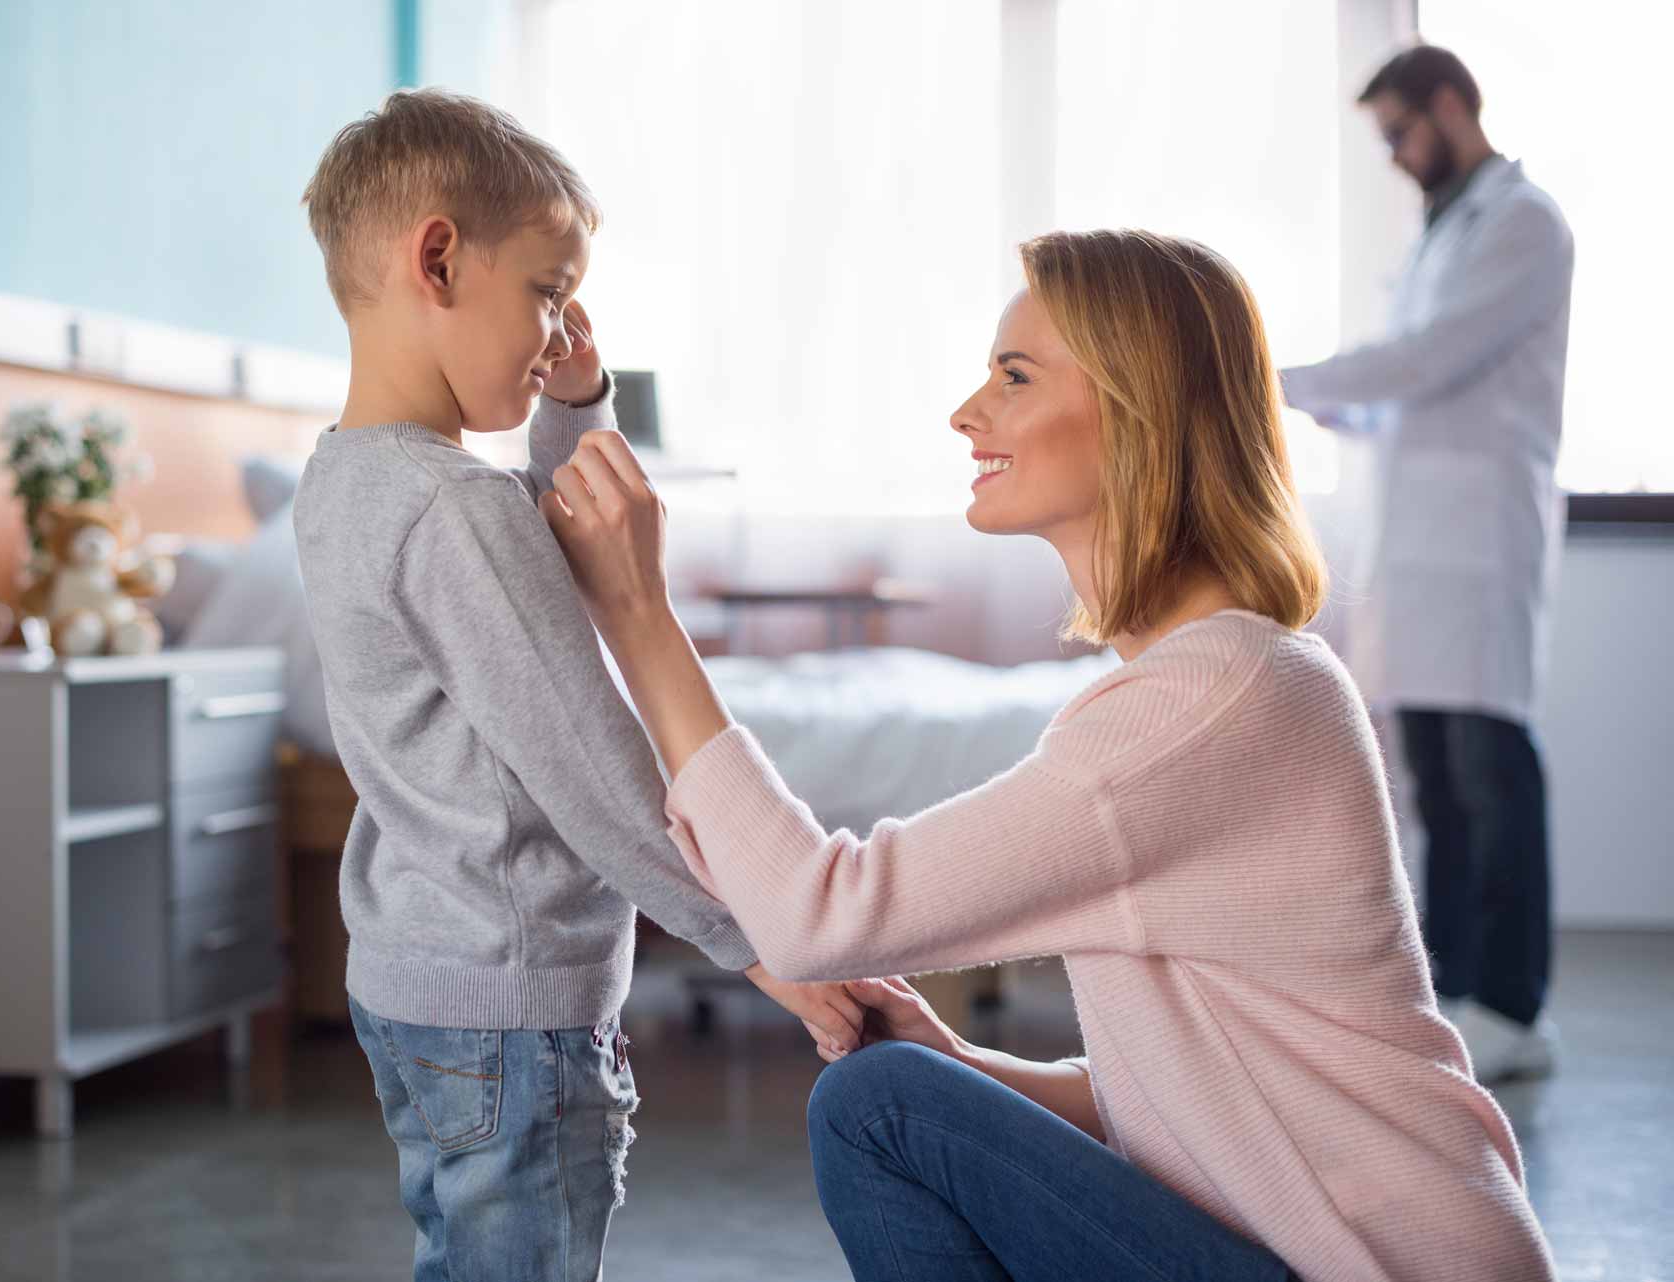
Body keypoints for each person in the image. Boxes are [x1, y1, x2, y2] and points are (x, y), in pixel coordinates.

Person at [541, 229, 1555, 1280]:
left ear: (1136, 411)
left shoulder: (1204, 702)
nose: (967, 413)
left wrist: (637, 610)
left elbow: (814, 916)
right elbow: (1185, 1100)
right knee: (905, 1085)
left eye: (1013, 377)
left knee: (875, 1106)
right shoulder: (1235, 678)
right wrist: (963, 1061)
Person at [291, 89, 865, 1282]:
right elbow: (589, 759)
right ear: (438, 258)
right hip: (514, 1002)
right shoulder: (454, 508)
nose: (558, 331)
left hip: (417, 977)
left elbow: (544, 558)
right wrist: (752, 938)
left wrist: (573, 410)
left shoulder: (349, 481)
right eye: (546, 293)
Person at [1280, 45, 1573, 1083]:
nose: (1399, 155)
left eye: (1403, 130)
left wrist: (1270, 375)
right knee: (1437, 784)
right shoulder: (1437, 236)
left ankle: (1513, 1004)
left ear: (1452, 104)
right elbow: (1395, 393)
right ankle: (1451, 992)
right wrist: (1327, 402)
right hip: (1416, 543)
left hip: (1482, 538)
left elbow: (1429, 362)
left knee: (1493, 771)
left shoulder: (1525, 226)